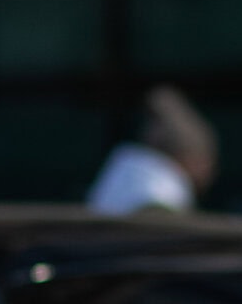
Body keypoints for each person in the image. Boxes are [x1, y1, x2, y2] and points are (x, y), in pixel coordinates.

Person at [85, 85, 218, 214]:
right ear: (189, 157)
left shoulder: (126, 173)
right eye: (206, 162)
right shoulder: (159, 196)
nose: (208, 172)